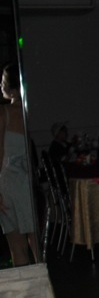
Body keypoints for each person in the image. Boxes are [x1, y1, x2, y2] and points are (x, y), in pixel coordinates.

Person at [0, 63, 39, 267]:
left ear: (13, 89)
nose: (0, 85)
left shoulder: (4, 112)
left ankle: (25, 283)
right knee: (35, 240)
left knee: (17, 245)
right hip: (27, 179)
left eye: (3, 81)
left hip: (8, 181)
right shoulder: (28, 112)